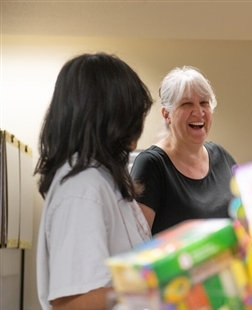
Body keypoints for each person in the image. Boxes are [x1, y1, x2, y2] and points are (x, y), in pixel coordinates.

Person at [35, 53, 153, 310]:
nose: (135, 136)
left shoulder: (105, 180)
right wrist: (157, 285)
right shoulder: (82, 189)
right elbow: (74, 302)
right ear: (110, 118)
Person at [130, 66, 237, 235]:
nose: (199, 111)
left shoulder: (221, 156)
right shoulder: (152, 165)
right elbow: (137, 240)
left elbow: (248, 215)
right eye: (187, 104)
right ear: (167, 115)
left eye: (204, 103)